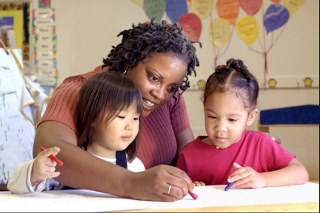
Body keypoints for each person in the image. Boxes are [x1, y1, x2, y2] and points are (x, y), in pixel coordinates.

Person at [33, 19, 199, 201]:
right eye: (153, 78)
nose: (160, 94)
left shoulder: (171, 99)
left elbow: (192, 160)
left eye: (171, 87)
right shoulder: (81, 90)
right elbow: (51, 151)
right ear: (130, 61)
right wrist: (132, 183)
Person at [176, 58, 309, 189]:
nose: (220, 128)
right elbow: (180, 189)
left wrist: (263, 179)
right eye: (212, 116)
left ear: (250, 117)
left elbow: (300, 172)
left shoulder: (260, 144)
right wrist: (191, 187)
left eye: (232, 120)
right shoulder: (188, 154)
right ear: (204, 108)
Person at [8, 72, 145, 193]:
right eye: (121, 117)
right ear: (93, 117)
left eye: (135, 118)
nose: (130, 127)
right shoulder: (63, 162)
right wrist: (35, 171)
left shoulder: (135, 166)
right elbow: (15, 186)